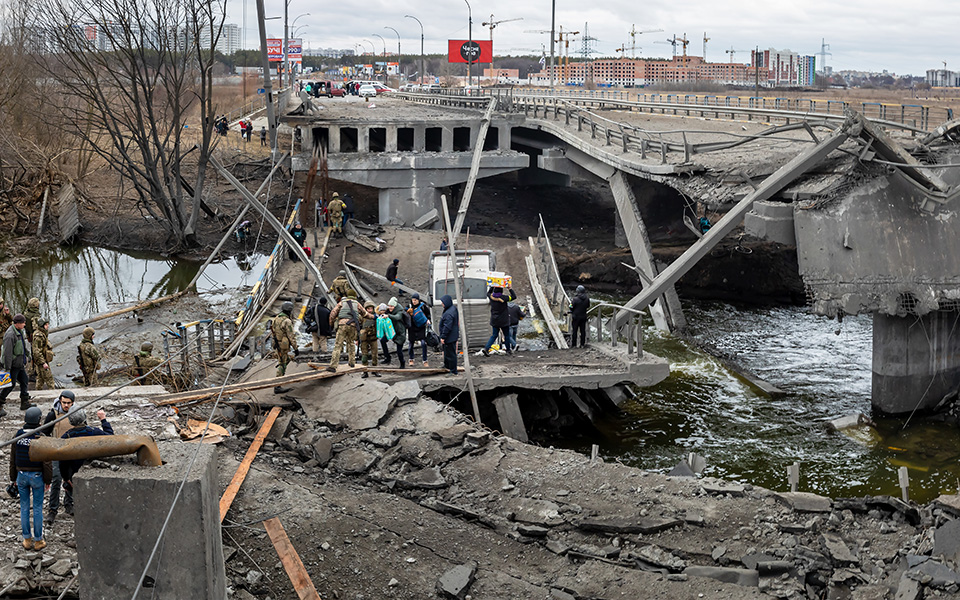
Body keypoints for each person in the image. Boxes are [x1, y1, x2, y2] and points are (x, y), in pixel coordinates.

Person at [9, 406, 51, 550]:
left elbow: (13, 459)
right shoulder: (40, 437)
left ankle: (27, 540)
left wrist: (12, 479)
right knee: (38, 509)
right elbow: (47, 462)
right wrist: (48, 480)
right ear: (39, 420)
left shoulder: (18, 435)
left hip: (21, 476)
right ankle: (38, 541)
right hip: (37, 476)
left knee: (24, 508)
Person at [59, 407, 114, 516]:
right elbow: (111, 439)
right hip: (94, 471)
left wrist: (65, 478)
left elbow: (63, 461)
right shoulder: (94, 432)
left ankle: (72, 508)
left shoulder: (67, 436)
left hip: (73, 472)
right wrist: (103, 419)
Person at [41, 390, 75, 524]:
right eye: (64, 402)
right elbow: (44, 433)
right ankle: (52, 510)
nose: (66, 405)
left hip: (71, 451)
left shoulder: (76, 413)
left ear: (73, 403)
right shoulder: (53, 415)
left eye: (69, 403)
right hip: (56, 452)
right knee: (56, 480)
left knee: (71, 479)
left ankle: (69, 504)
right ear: (60, 401)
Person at [1, 314, 32, 415]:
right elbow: (7, 353)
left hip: (19, 364)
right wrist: (7, 369)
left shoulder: (19, 331)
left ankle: (25, 402)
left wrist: (27, 354)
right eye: (23, 323)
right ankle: (0, 403)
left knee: (24, 381)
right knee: (10, 385)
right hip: (13, 365)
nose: (24, 324)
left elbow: (22, 344)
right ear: (17, 324)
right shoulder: (10, 335)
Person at [327, 290, 365, 372]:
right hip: (352, 326)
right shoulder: (357, 304)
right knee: (351, 343)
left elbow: (333, 313)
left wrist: (331, 324)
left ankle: (333, 366)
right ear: (355, 296)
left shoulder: (342, 303)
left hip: (342, 325)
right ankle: (352, 362)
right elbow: (363, 314)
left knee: (338, 345)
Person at [271, 302, 298, 393]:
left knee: (285, 361)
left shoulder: (276, 318)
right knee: (282, 363)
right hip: (283, 344)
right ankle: (277, 385)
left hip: (277, 343)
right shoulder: (287, 321)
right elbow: (291, 336)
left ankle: (280, 380)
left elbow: (273, 331)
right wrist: (296, 348)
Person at [482, 285, 516, 356]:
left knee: (494, 335)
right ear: (501, 291)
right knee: (506, 335)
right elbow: (514, 297)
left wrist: (492, 286)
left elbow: (488, 293)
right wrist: (510, 289)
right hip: (504, 321)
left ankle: (486, 348)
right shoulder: (504, 298)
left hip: (495, 320)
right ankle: (508, 350)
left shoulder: (491, 297)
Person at [406, 293, 431, 367]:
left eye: (415, 300)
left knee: (423, 343)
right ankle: (411, 359)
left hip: (421, 327)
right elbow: (404, 314)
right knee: (411, 344)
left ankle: (425, 360)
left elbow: (428, 314)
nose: (414, 301)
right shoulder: (409, 307)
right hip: (412, 328)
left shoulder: (423, 306)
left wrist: (428, 320)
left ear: (418, 300)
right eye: (413, 300)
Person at [358, 300, 380, 378]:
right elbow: (358, 327)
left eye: (371, 308)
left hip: (373, 338)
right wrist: (357, 339)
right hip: (364, 339)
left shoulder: (376, 317)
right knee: (364, 356)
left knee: (375, 355)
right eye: (368, 309)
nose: (370, 310)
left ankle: (375, 370)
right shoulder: (362, 317)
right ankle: (365, 371)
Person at [438, 295, 459, 376]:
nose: (442, 304)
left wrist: (443, 337)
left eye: (443, 303)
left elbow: (447, 327)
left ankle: (453, 371)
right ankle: (447, 365)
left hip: (450, 337)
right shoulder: (452, 309)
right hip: (452, 336)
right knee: (447, 352)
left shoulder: (448, 314)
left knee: (451, 354)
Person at [385, 297, 408, 367]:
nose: (390, 308)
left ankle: (402, 363)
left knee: (399, 351)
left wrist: (388, 316)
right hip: (392, 332)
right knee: (383, 340)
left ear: (395, 306)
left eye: (391, 306)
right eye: (389, 306)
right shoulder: (388, 311)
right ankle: (387, 358)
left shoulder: (400, 311)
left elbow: (397, 317)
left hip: (400, 333)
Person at [32, 319, 54, 390]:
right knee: (49, 379)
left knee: (40, 379)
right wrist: (43, 363)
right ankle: (53, 394)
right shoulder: (39, 336)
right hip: (42, 361)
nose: (48, 326)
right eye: (46, 324)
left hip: (41, 360)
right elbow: (36, 351)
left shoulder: (42, 333)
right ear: (42, 326)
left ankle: (38, 393)